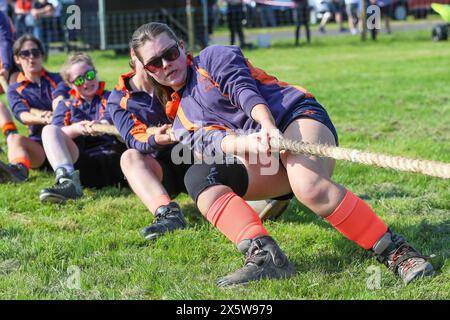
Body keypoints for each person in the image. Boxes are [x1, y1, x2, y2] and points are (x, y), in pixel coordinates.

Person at [131, 22, 435, 287]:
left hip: (293, 118)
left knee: (309, 186)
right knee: (199, 178)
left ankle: (398, 252)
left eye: (169, 53)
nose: (166, 65)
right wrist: (253, 143)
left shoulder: (213, 57)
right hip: (263, 152)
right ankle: (265, 258)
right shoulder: (180, 119)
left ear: (181, 47)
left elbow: (243, 90)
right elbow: (217, 143)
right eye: (154, 63)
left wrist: (266, 126)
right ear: (146, 71)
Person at [108, 46, 289, 240]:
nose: (162, 65)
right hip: (163, 165)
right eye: (152, 62)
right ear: (135, 59)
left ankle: (262, 195)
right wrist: (156, 138)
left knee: (217, 140)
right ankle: (167, 214)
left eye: (165, 56)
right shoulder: (118, 99)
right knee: (129, 157)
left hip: (198, 152)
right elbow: (133, 137)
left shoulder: (176, 77)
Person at [39, 52, 126, 203]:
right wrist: (77, 128)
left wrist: (102, 125)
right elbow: (57, 132)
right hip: (84, 168)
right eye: (79, 80)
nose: (86, 82)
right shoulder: (66, 105)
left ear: (95, 72)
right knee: (49, 130)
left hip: (117, 162)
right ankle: (68, 182)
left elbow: (113, 118)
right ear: (70, 84)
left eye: (89, 75)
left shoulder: (113, 96)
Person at [1, 35, 67, 183]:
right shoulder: (14, 89)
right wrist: (43, 118)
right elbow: (22, 115)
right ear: (17, 59)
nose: (31, 57)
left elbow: (59, 98)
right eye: (25, 54)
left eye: (35, 53)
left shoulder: (58, 78)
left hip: (66, 139)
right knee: (13, 138)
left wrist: (55, 115)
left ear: (42, 56)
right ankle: (18, 171)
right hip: (40, 148)